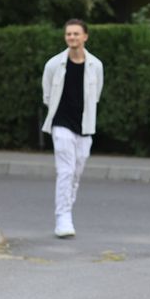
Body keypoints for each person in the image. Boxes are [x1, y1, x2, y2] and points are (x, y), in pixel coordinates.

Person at [41, 19, 104, 238]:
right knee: (65, 171)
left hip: (84, 125)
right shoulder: (54, 64)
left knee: (76, 172)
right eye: (68, 34)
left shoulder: (95, 65)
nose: (72, 37)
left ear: (85, 36)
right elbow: (47, 94)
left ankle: (67, 208)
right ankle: (63, 217)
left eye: (76, 34)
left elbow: (96, 95)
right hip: (61, 123)